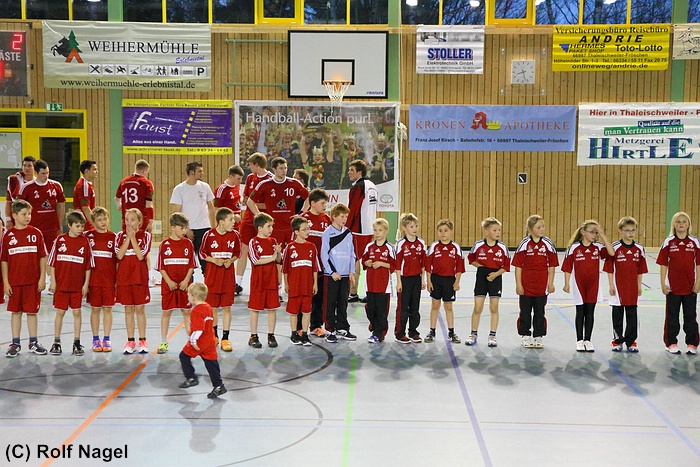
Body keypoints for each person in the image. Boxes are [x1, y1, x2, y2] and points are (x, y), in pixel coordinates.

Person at [247, 156, 309, 300]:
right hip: (274, 229)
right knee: (276, 259)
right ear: (273, 169)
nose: (284, 171)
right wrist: (260, 216)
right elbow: (250, 201)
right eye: (281, 168)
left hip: (290, 228)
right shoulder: (265, 184)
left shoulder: (294, 183)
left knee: (293, 257)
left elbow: (308, 198)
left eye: (285, 168)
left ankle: (293, 288)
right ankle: (278, 290)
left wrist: (301, 213)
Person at [2, 200, 48, 357]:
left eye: (29, 213)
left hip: (32, 282)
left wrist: (42, 278)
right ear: (15, 215)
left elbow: (42, 257)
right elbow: (4, 260)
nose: (28, 216)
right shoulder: (8, 236)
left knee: (31, 312)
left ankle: (33, 342)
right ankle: (15, 343)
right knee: (16, 312)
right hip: (15, 282)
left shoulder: (36, 233)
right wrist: (6, 282)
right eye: (24, 214)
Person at [562, 220, 614, 352]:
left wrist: (603, 235)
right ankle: (579, 340)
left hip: (593, 286)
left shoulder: (598, 247)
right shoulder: (574, 248)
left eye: (596, 233)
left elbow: (611, 253)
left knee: (590, 313)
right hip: (579, 286)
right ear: (583, 232)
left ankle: (588, 340)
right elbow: (567, 266)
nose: (594, 235)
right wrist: (566, 283)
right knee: (580, 312)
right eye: (592, 232)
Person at [48, 211, 94, 356]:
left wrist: (85, 284)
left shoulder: (85, 241)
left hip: (77, 286)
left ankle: (77, 342)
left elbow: (88, 265)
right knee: (60, 312)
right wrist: (53, 281)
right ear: (69, 225)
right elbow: (52, 263)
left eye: (82, 226)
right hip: (61, 285)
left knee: (76, 312)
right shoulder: (60, 240)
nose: (80, 229)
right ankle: (56, 342)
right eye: (77, 226)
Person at [512, 215, 559, 349]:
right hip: (526, 286)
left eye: (543, 226)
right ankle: (525, 335)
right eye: (538, 227)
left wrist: (550, 283)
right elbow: (518, 266)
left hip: (541, 286)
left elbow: (552, 265)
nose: (542, 229)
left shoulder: (548, 244)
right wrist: (519, 285)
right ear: (530, 229)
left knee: (540, 312)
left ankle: (539, 336)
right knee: (525, 311)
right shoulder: (524, 244)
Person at [657, 211, 700, 355]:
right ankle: (671, 343)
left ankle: (692, 343)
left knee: (690, 317)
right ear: (674, 225)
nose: (681, 224)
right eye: (678, 222)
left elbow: (698, 264)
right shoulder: (668, 242)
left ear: (688, 225)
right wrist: (663, 283)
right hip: (673, 289)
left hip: (690, 288)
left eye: (684, 222)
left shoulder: (694, 242)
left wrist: (698, 282)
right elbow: (663, 264)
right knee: (672, 317)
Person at [604, 216, 648, 352]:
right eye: (627, 230)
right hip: (618, 288)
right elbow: (609, 269)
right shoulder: (614, 248)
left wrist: (639, 286)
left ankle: (631, 341)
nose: (630, 233)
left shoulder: (639, 249)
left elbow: (640, 270)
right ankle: (617, 340)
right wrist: (611, 285)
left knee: (632, 315)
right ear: (620, 231)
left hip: (632, 288)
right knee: (617, 315)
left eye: (633, 230)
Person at [200, 207, 241, 352]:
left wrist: (231, 261)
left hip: (228, 277)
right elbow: (202, 253)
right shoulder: (209, 235)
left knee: (227, 308)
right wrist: (214, 260)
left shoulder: (235, 235)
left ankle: (225, 338)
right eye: (231, 220)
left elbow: (238, 253)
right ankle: (214, 336)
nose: (234, 222)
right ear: (222, 222)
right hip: (212, 277)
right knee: (213, 308)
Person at [465, 217, 510, 348]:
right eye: (494, 230)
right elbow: (471, 258)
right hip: (481, 277)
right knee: (477, 307)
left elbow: (506, 266)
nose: (498, 232)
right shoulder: (478, 245)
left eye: (499, 230)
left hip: (496, 277)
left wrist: (495, 274)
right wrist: (480, 267)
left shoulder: (502, 247)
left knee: (494, 307)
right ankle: (473, 334)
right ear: (486, 231)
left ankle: (492, 335)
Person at [156, 212, 197, 354]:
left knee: (186, 311)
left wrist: (186, 280)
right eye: (182, 228)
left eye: (186, 228)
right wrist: (168, 281)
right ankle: (163, 342)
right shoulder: (164, 244)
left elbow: (191, 265)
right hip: (169, 285)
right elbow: (161, 266)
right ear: (173, 227)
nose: (184, 231)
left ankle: (190, 341)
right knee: (166, 312)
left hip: (185, 285)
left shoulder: (188, 244)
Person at [178, 282, 227, 399]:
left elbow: (199, 329)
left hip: (200, 342)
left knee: (184, 356)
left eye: (188, 295)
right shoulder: (208, 307)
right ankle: (218, 385)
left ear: (193, 297)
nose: (187, 297)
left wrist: (193, 341)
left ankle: (191, 377)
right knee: (211, 363)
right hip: (210, 340)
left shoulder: (196, 311)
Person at [116, 208, 152, 354]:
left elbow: (140, 255)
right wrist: (128, 239)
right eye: (127, 220)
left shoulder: (146, 236)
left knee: (140, 309)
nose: (129, 223)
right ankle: (130, 341)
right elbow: (119, 255)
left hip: (139, 277)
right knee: (128, 309)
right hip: (124, 278)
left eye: (132, 220)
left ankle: (142, 340)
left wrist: (133, 238)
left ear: (139, 222)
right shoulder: (119, 236)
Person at [170, 161, 216, 275]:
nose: (202, 173)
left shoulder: (205, 187)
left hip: (204, 228)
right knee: (186, 262)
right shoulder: (179, 189)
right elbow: (177, 212)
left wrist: (213, 227)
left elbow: (211, 208)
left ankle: (208, 284)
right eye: (199, 171)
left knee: (206, 262)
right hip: (187, 230)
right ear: (191, 173)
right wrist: (186, 229)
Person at [235, 153, 272, 295]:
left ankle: (266, 283)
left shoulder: (270, 179)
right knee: (243, 250)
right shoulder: (250, 178)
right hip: (248, 220)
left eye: (250, 164)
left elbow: (270, 203)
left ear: (257, 164)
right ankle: (238, 283)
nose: (249, 167)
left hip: (263, 221)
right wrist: (249, 202)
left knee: (264, 251)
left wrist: (255, 205)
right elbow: (246, 197)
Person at [320, 203, 357, 343]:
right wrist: (332, 272)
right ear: (334, 216)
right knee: (330, 303)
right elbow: (324, 255)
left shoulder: (348, 233)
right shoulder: (327, 233)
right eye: (342, 216)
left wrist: (352, 271)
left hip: (345, 275)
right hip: (332, 276)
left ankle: (343, 328)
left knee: (343, 303)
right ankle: (330, 329)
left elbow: (352, 254)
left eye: (346, 217)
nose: (344, 219)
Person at [425, 219, 464, 344]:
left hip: (449, 280)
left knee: (448, 306)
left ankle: (451, 332)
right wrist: (429, 281)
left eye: (446, 230)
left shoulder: (455, 247)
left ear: (451, 231)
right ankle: (432, 331)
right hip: (436, 279)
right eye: (440, 231)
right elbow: (428, 266)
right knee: (435, 305)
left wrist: (457, 282)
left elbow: (459, 267)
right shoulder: (434, 247)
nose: (443, 233)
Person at [282, 216, 320, 346]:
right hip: (294, 286)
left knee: (307, 311)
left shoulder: (312, 247)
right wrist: (287, 284)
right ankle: (294, 334)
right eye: (304, 229)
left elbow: (315, 267)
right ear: (296, 232)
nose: (308, 231)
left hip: (307, 285)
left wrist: (315, 283)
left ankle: (304, 334)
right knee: (293, 311)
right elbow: (285, 268)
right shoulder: (289, 247)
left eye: (308, 228)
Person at [300, 188, 332, 337]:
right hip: (305, 265)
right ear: (312, 203)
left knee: (319, 297)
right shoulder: (303, 219)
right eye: (322, 203)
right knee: (303, 297)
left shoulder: (327, 220)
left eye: (326, 203)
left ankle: (316, 325)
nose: (325, 206)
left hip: (321, 266)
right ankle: (299, 327)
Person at [248, 212, 282, 348]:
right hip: (258, 280)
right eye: (269, 226)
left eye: (272, 226)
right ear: (260, 228)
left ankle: (271, 335)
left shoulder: (273, 241)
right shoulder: (253, 242)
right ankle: (253, 336)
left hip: (271, 280)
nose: (271, 229)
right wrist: (272, 257)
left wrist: (278, 253)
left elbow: (279, 260)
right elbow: (255, 260)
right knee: (255, 309)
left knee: (272, 308)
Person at [85, 207, 117, 352]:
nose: (103, 222)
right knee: (95, 309)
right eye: (99, 220)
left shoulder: (113, 237)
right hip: (93, 280)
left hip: (109, 280)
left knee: (108, 309)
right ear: (93, 222)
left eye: (105, 219)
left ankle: (107, 339)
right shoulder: (88, 236)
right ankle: (95, 339)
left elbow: (117, 261)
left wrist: (116, 280)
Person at [17, 159, 66, 253]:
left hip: (52, 228)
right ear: (36, 173)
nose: (46, 176)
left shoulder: (56, 185)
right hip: (34, 228)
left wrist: (59, 224)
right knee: (34, 254)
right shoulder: (26, 187)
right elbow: (19, 207)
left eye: (47, 173)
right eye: (43, 173)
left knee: (51, 254)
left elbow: (61, 205)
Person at [347, 160, 378, 303]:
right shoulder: (372, 185)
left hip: (358, 230)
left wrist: (346, 228)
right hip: (370, 229)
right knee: (368, 260)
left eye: (352, 170)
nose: (349, 172)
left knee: (355, 260)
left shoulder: (358, 187)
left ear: (359, 172)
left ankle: (353, 293)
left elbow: (353, 209)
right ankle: (371, 292)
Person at [394, 213, 426, 344]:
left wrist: (423, 280)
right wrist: (399, 282)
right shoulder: (401, 244)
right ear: (404, 228)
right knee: (403, 308)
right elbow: (397, 264)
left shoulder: (421, 243)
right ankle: (400, 333)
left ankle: (413, 332)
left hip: (416, 279)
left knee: (415, 307)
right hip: (404, 279)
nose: (414, 229)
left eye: (416, 226)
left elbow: (423, 263)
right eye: (411, 226)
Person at [362, 218, 395, 343]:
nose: (377, 233)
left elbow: (394, 265)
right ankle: (374, 325)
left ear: (386, 231)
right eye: (375, 230)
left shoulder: (389, 248)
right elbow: (363, 261)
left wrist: (381, 263)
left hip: (383, 286)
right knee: (370, 309)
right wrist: (367, 263)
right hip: (370, 285)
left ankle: (379, 333)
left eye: (380, 230)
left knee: (381, 311)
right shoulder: (369, 247)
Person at [115, 159, 154, 232]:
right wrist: (151, 221)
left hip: (127, 220)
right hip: (141, 221)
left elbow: (116, 199)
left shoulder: (123, 181)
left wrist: (119, 205)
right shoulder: (147, 183)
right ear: (144, 171)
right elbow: (149, 204)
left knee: (127, 238)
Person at [5, 156, 35, 230]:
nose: (26, 168)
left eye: (29, 166)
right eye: (24, 165)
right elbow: (8, 202)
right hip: (17, 219)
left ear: (35, 168)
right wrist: (8, 220)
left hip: (34, 218)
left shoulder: (37, 183)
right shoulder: (14, 181)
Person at [73, 159, 98, 231]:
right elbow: (85, 207)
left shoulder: (87, 184)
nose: (97, 171)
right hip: (86, 225)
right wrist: (95, 225)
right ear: (87, 171)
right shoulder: (84, 186)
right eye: (94, 169)